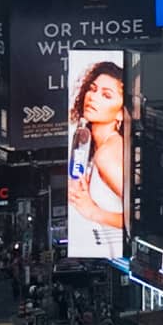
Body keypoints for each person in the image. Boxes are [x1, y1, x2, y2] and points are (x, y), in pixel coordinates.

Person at [65, 60, 129, 244]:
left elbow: (143, 217)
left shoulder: (108, 154)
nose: (93, 97)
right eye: (92, 89)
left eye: (106, 95)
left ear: (121, 113)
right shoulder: (92, 145)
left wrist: (94, 212)